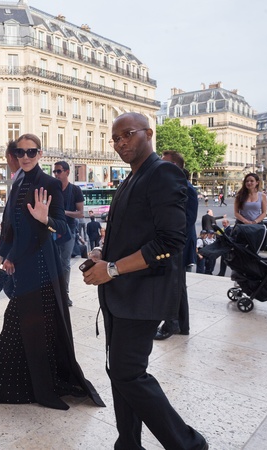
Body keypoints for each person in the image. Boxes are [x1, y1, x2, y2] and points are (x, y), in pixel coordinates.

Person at [82, 112, 208, 450]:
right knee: (120, 371)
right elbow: (134, 234)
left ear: (148, 134)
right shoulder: (130, 178)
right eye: (115, 138)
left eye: (127, 134)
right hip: (121, 294)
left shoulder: (163, 172)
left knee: (128, 373)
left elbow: (170, 241)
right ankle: (128, 443)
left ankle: (189, 444)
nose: (120, 143)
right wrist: (102, 253)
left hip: (143, 295)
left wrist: (112, 269)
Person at [0, 133, 104, 411]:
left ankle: (44, 387)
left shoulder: (50, 184)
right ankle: (32, 382)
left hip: (42, 266)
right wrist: (2, 256)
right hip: (22, 266)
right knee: (26, 324)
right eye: (20, 152)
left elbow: (62, 227)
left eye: (31, 152)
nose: (25, 157)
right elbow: (10, 226)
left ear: (40, 154)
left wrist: (45, 219)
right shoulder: (17, 183)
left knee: (34, 324)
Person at [155, 150, 198, 340]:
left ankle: (171, 324)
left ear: (173, 166)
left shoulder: (186, 188)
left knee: (174, 285)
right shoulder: (176, 186)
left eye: (164, 163)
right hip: (176, 243)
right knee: (177, 285)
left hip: (178, 245)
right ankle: (182, 325)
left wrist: (171, 242)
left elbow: (188, 220)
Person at [52, 161, 84, 307]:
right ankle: (53, 293)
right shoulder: (53, 189)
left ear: (67, 172)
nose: (56, 174)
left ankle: (64, 294)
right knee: (53, 262)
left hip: (68, 231)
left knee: (64, 263)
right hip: (52, 229)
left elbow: (80, 213)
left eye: (59, 171)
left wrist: (64, 212)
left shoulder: (75, 190)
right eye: (55, 172)